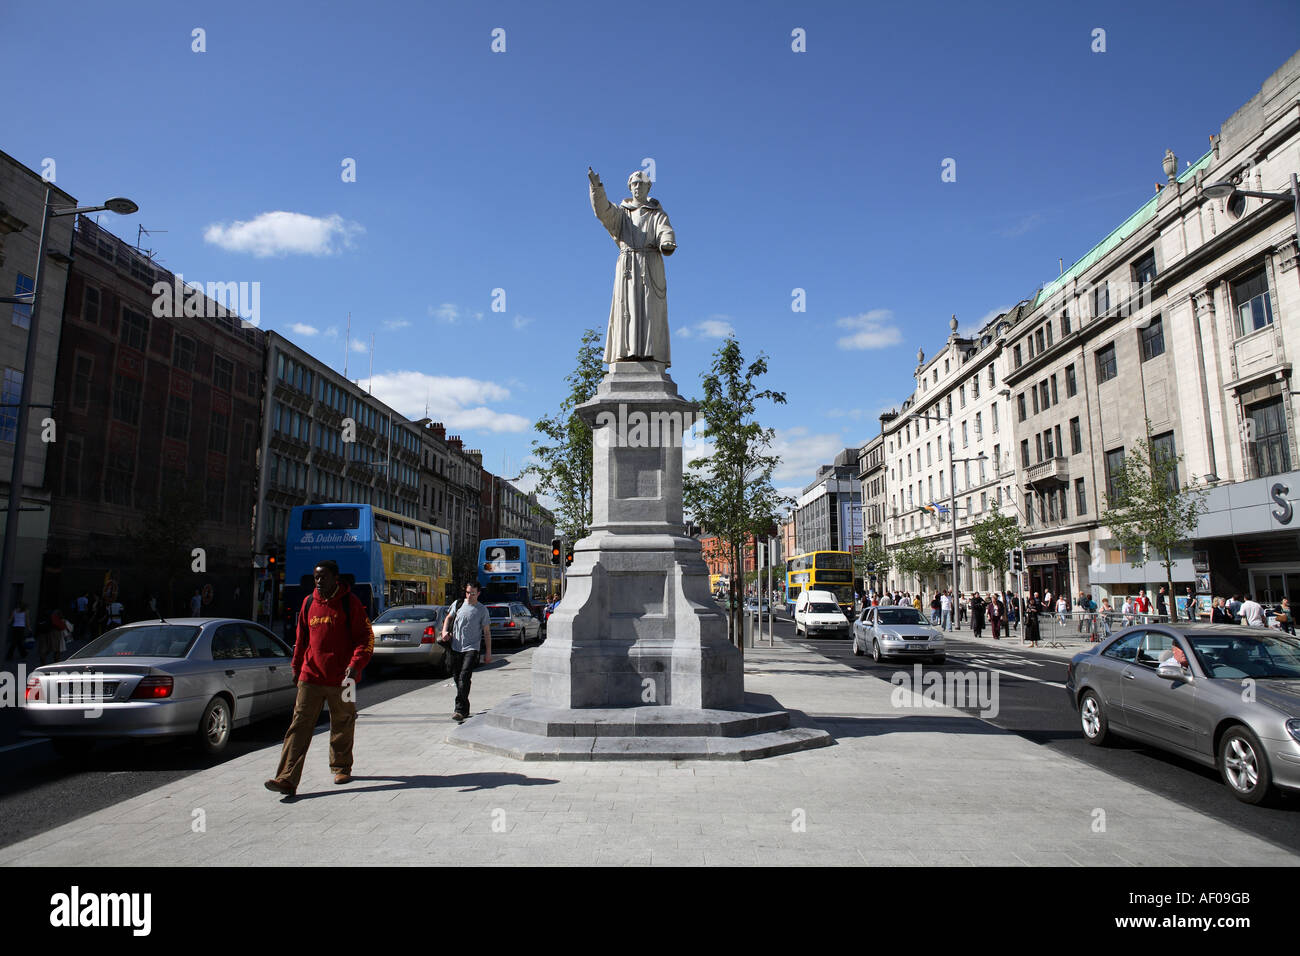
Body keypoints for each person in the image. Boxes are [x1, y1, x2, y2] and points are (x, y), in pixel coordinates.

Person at [265, 560, 374, 797]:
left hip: (344, 679)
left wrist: (355, 666)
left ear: (336, 578)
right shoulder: (307, 604)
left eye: (323, 577)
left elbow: (366, 639)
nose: (319, 581)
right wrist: (296, 668)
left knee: (343, 722)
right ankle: (286, 778)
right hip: (310, 676)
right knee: (299, 726)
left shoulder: (350, 603)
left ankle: (341, 767)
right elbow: (301, 640)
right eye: (316, 577)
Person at [588, 167, 676, 365]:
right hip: (628, 266)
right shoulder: (622, 214)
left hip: (650, 264)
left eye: (641, 184)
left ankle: (650, 353)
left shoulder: (657, 214)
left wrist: (667, 241)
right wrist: (597, 188)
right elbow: (603, 212)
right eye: (634, 184)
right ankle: (626, 352)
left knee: (650, 311)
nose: (637, 187)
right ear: (629, 187)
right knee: (626, 308)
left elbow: (665, 230)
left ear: (648, 187)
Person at [442, 581, 493, 722]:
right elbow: (448, 618)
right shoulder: (458, 604)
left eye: (473, 593)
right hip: (455, 646)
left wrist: (488, 652)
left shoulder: (482, 610)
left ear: (478, 594)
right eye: (468, 592)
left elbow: (487, 632)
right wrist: (444, 631)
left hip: (472, 648)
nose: (470, 596)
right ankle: (465, 705)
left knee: (464, 676)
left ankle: (459, 710)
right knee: (457, 677)